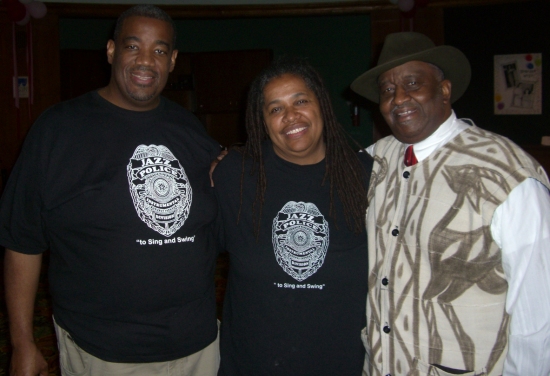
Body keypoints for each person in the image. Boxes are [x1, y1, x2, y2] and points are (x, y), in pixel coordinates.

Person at [0, 5, 221, 376]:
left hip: (196, 345)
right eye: (133, 47)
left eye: (160, 50)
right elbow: (22, 241)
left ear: (172, 61)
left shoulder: (190, 129)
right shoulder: (58, 130)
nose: (146, 61)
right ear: (111, 51)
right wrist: (23, 342)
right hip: (104, 352)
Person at [350, 31, 550, 376]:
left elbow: (538, 318)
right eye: (387, 90)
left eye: (413, 83)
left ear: (444, 90)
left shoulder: (506, 175)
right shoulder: (375, 161)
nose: (398, 98)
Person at [212, 57, 373, 375]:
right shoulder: (236, 175)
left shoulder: (365, 176)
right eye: (275, 108)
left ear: (321, 105)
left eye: (300, 101)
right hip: (253, 364)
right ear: (262, 120)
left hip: (342, 364)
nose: (290, 117)